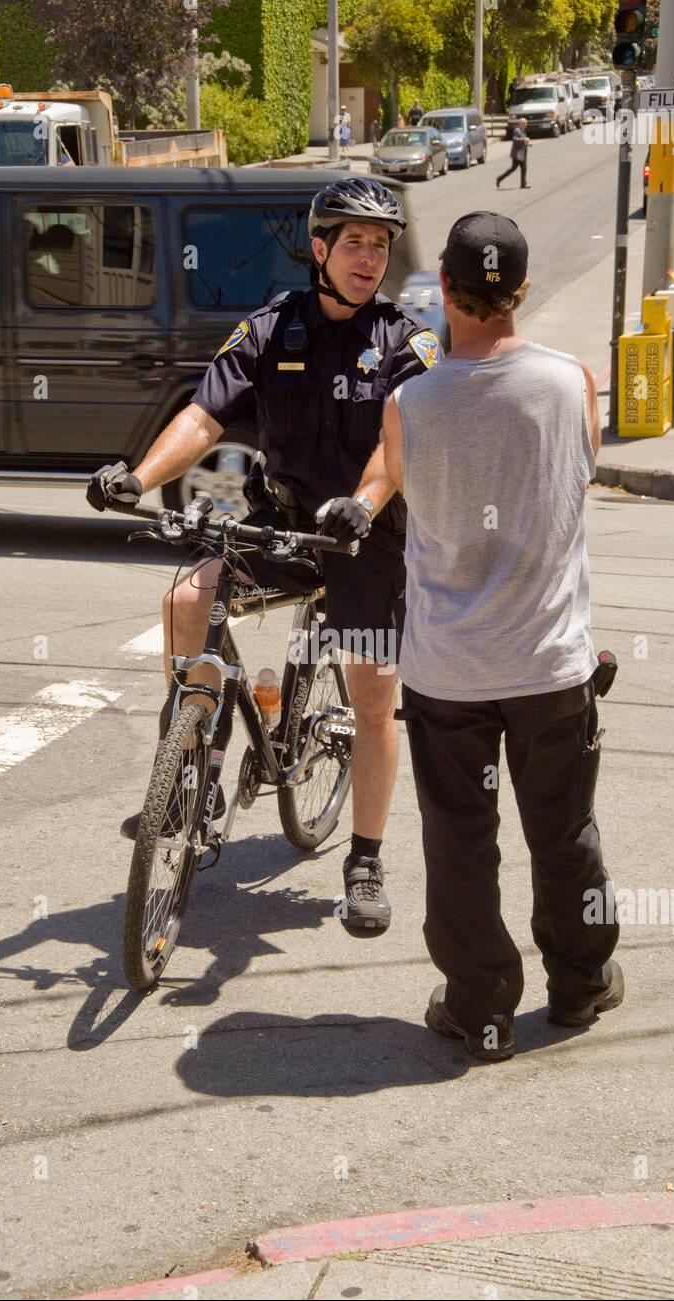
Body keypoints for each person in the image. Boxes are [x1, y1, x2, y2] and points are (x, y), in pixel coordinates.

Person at [87, 179, 442, 932]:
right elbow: (206, 413)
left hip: (365, 536)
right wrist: (139, 477)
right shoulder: (271, 328)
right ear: (320, 249)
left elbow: (397, 446)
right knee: (188, 600)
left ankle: (366, 858)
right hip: (278, 524)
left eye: (380, 244)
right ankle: (195, 771)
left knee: (374, 701)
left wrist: (365, 503)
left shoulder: (405, 343)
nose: (369, 257)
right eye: (354, 242)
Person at [357, 211, 621, 1061]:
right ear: (523, 290)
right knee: (564, 832)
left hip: (449, 675)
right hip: (550, 665)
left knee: (461, 842)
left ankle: (480, 1009)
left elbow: (396, 491)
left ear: (446, 290)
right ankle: (580, 986)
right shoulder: (572, 383)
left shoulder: (409, 404)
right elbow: (579, 473)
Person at [496, 117, 531, 188]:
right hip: (517, 155)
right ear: (521, 124)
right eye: (525, 124)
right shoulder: (517, 130)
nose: (526, 125)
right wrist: (524, 139)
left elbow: (522, 141)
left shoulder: (522, 131)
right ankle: (499, 178)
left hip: (522, 154)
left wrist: (527, 143)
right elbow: (515, 139)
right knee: (513, 169)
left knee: (524, 168)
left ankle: (523, 184)